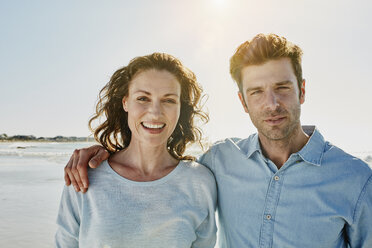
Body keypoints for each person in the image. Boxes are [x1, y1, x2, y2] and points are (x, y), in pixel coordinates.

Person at [64, 34, 372, 247]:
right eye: (256, 92)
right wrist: (101, 154)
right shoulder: (220, 162)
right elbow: (155, 164)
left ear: (302, 90)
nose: (272, 103)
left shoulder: (355, 179)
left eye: (283, 87)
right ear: (242, 101)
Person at [55, 53, 217, 248]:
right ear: (125, 103)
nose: (155, 112)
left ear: (180, 108)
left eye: (169, 100)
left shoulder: (199, 182)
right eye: (143, 98)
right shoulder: (84, 176)